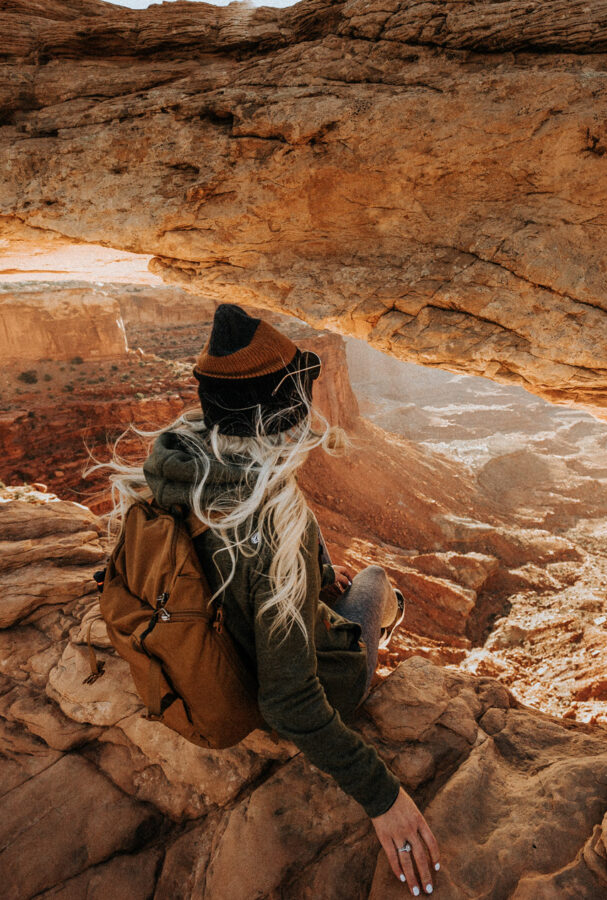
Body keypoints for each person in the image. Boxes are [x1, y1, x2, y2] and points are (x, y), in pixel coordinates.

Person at [101, 303, 440, 896]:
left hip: (211, 648)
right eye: (301, 396)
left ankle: (327, 603)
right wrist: (383, 796)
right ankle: (377, 636)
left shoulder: (172, 463)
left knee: (321, 584)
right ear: (280, 413)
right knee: (378, 583)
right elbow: (290, 703)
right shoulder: (275, 524)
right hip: (300, 683)